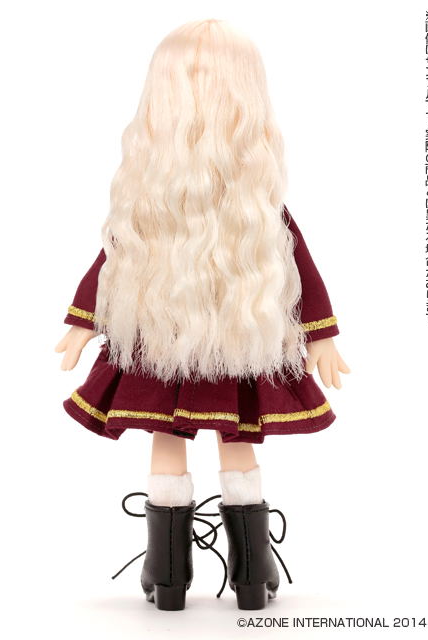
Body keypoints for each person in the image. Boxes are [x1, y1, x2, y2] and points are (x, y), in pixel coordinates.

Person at [55, 18, 350, 611]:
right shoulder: (231, 208)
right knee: (231, 442)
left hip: (219, 341)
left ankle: (171, 575)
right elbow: (113, 260)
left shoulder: (206, 205)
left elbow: (298, 269)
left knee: (178, 440)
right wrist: (83, 319)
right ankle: (248, 574)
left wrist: (322, 337)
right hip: (182, 340)